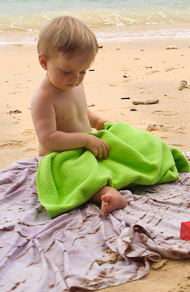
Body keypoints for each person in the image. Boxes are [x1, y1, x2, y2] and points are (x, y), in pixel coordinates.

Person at [31, 15, 126, 216]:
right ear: (43, 62)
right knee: (76, 176)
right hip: (59, 157)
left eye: (83, 71)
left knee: (122, 144)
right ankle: (106, 193)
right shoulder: (44, 98)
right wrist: (84, 139)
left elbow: (79, 110)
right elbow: (48, 140)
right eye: (67, 71)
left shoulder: (73, 84)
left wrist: (96, 121)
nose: (75, 78)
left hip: (84, 147)